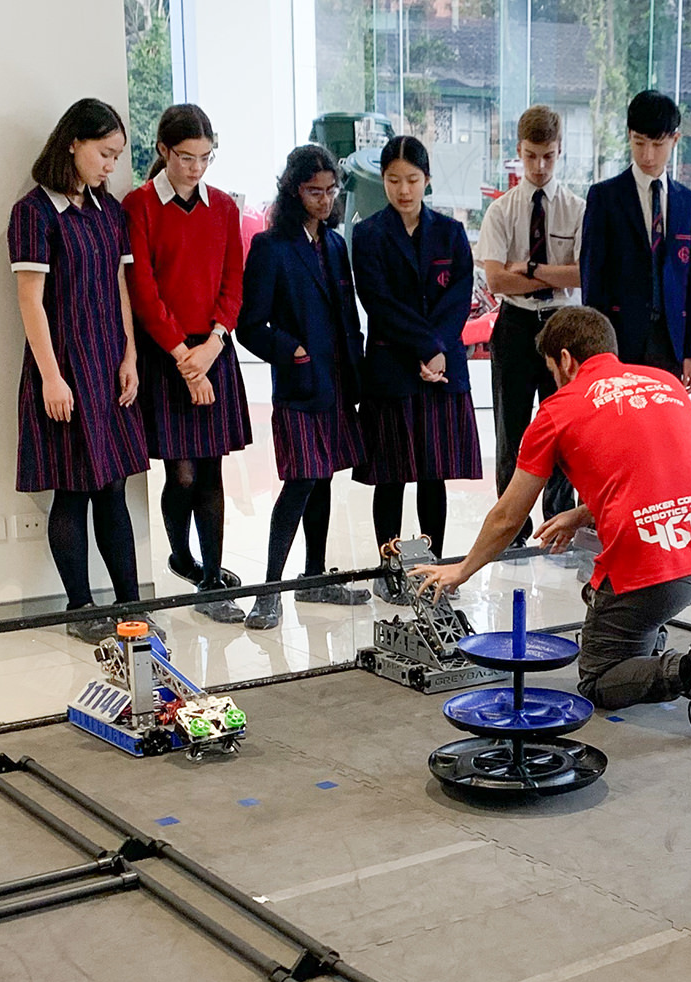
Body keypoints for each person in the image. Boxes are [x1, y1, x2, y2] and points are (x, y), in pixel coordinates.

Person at [411, 307, 691, 742]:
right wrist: (582, 513)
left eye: (551, 369)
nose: (552, 378)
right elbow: (654, 473)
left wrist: (462, 569)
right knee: (622, 609)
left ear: (565, 359)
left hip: (654, 572)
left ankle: (689, 669)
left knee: (599, 678)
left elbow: (509, 515)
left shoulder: (557, 411)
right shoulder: (665, 385)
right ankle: (653, 642)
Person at [8, 98, 151, 645]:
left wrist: (130, 356)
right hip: (64, 367)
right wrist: (50, 376)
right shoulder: (34, 213)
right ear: (73, 142)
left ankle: (131, 604)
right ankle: (79, 607)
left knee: (113, 485)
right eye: (104, 152)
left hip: (108, 364)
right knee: (72, 490)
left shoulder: (108, 212)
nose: (111, 165)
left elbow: (118, 289)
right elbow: (29, 299)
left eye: (116, 156)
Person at [236, 145, 372, 630]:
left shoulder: (335, 245)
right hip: (298, 383)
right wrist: (290, 349)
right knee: (300, 482)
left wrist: (356, 373)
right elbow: (249, 325)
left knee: (325, 478)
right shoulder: (271, 247)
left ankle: (315, 578)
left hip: (337, 383)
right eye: (315, 191)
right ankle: (269, 591)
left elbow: (348, 317)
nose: (325, 200)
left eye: (331, 190)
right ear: (295, 191)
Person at [124, 104, 250, 624]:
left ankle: (212, 584)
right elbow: (144, 292)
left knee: (213, 472)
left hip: (214, 350)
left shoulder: (223, 208)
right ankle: (181, 555)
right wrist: (183, 357)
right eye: (185, 157)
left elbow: (233, 284)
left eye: (205, 157)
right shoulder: (139, 206)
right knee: (180, 475)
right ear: (162, 151)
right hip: (167, 353)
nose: (196, 168)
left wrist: (214, 345)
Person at [351, 136, 481, 572]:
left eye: (412, 179)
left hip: (442, 371)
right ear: (382, 181)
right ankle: (389, 570)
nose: (403, 190)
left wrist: (440, 351)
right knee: (390, 477)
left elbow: (458, 298)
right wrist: (428, 348)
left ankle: (432, 567)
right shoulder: (368, 234)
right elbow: (379, 302)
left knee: (433, 473)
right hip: (392, 368)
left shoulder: (451, 232)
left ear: (427, 180)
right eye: (393, 180)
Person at [475, 104, 582, 546]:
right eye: (531, 156)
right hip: (515, 325)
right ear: (518, 151)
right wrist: (548, 272)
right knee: (512, 429)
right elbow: (497, 278)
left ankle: (558, 521)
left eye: (549, 156)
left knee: (564, 430)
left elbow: (581, 275)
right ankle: (514, 530)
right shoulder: (501, 212)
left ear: (560, 153)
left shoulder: (577, 208)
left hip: (561, 325)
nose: (539, 167)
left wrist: (531, 266)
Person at [580, 90, 691, 387]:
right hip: (619, 339)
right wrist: (595, 350)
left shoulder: (688, 202)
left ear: (675, 139)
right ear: (628, 136)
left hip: (670, 342)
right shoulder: (605, 197)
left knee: (661, 426)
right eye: (639, 142)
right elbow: (592, 277)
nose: (648, 154)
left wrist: (690, 352)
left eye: (658, 144)